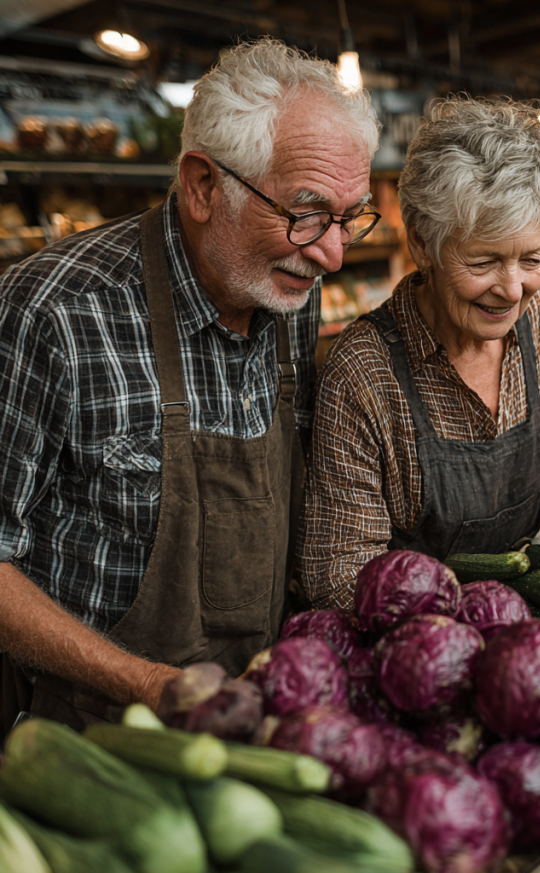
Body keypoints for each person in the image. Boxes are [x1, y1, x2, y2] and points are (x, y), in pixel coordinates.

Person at [0, 38, 380, 736]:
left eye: (348, 218)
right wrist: (149, 684)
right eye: (305, 212)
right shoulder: (54, 314)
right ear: (203, 185)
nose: (330, 253)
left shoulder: (287, 296)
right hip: (86, 741)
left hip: (251, 724)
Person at [299, 96, 540, 610]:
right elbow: (338, 577)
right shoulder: (364, 372)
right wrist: (474, 620)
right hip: (422, 651)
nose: (511, 289)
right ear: (422, 244)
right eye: (483, 261)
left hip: (534, 625)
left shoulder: (537, 319)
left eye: (532, 258)